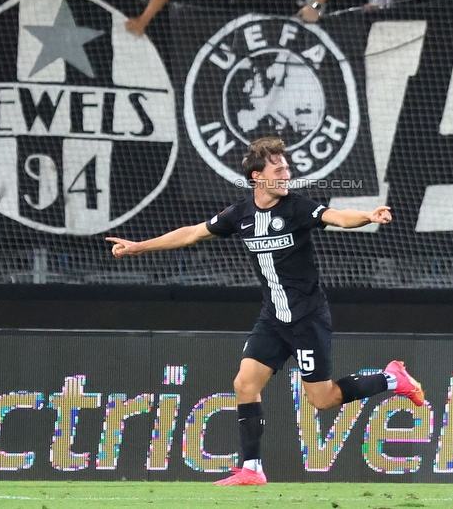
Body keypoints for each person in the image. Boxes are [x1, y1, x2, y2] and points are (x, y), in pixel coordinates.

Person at [106, 137, 425, 486]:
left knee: (323, 399)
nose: (286, 174)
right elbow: (193, 233)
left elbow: (337, 217)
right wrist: (139, 247)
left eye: (287, 168)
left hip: (306, 317)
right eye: (279, 169)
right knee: (245, 383)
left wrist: (366, 215)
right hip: (273, 319)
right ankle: (252, 469)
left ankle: (393, 378)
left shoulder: (297, 207)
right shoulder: (240, 214)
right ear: (258, 177)